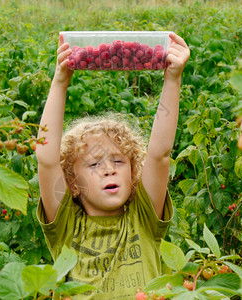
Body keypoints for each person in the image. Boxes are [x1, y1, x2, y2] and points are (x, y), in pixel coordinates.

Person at [35, 32, 190, 299]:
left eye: (119, 160)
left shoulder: (144, 217)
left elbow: (159, 154)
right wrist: (60, 82)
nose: (109, 169)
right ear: (73, 184)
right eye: (94, 164)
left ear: (133, 174)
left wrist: (172, 80)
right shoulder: (67, 226)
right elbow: (47, 159)